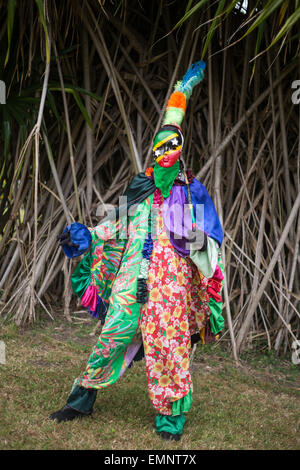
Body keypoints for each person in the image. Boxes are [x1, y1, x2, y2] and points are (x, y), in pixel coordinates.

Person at [49, 61, 224, 441]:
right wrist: (89, 236)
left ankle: (169, 420)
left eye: (172, 144)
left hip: (170, 286)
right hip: (133, 277)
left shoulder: (191, 192)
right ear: (154, 148)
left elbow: (210, 240)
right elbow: (117, 223)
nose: (165, 151)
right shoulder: (141, 187)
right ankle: (81, 400)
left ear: (180, 149)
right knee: (112, 334)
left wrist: (186, 234)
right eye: (161, 144)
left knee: (168, 345)